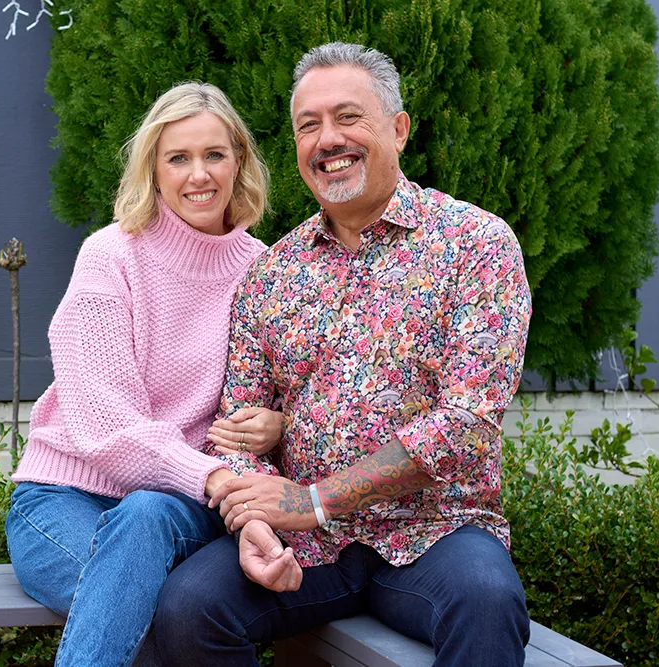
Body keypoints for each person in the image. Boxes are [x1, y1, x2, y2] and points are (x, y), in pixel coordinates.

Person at [151, 42, 534, 667]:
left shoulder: (475, 244)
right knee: (190, 606)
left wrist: (314, 499)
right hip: (309, 544)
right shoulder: (272, 272)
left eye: (348, 117)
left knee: (488, 601)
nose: (328, 139)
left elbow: (466, 423)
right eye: (309, 126)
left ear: (399, 129)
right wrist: (252, 524)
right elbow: (236, 430)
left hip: (434, 532)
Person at [5, 81, 284, 667]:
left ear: (240, 161)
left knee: (146, 522)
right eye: (177, 158)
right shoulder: (112, 256)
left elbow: (293, 392)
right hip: (65, 497)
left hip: (176, 507)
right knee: (153, 617)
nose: (198, 175)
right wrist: (210, 478)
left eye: (214, 155)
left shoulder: (267, 270)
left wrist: (277, 425)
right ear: (153, 170)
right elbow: (105, 423)